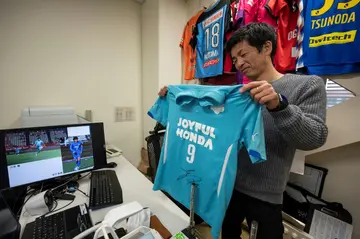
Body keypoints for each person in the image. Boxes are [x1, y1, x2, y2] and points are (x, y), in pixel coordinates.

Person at [158, 22, 328, 239]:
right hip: (226, 184)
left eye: (243, 54)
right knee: (227, 234)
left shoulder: (306, 85)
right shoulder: (235, 94)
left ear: (266, 47)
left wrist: (280, 105)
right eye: (235, 59)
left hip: (265, 194)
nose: (239, 63)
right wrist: (173, 99)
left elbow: (315, 137)